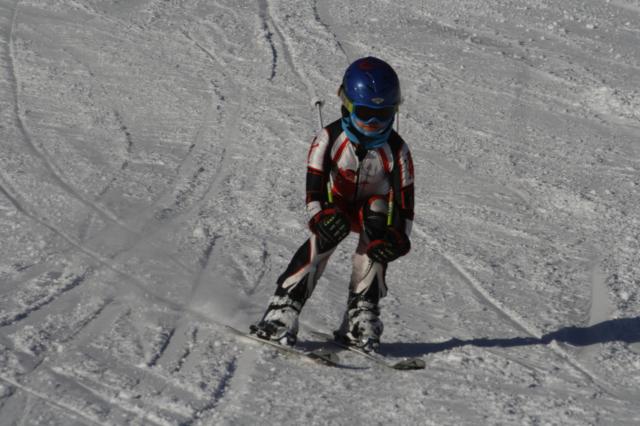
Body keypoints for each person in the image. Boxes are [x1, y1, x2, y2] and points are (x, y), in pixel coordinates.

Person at [251, 56, 415, 352]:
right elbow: (313, 192)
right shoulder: (328, 138)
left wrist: (398, 239)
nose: (374, 123)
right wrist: (320, 217)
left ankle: (361, 312)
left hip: (370, 213)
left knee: (379, 218)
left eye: (383, 113)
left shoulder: (397, 150)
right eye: (365, 113)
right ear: (348, 105)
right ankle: (283, 307)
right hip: (335, 207)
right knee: (329, 229)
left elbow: (404, 206)